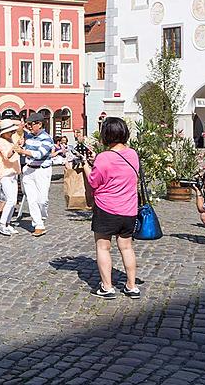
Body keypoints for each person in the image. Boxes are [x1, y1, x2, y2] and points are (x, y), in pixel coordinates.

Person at [80, 117, 140, 299]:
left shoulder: (103, 157)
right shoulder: (133, 154)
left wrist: (85, 166)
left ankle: (107, 287)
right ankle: (131, 286)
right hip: (129, 208)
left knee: (103, 247)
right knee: (127, 247)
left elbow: (94, 181)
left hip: (107, 208)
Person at [14, 112, 54, 237]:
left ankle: (41, 217)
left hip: (42, 170)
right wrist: (22, 144)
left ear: (39, 124)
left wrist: (23, 151)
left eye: (31, 124)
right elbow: (21, 139)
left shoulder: (47, 139)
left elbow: (39, 154)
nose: (29, 127)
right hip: (28, 170)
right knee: (31, 199)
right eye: (28, 124)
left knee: (42, 200)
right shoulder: (28, 137)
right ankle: (38, 225)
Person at [0, 120, 21, 235]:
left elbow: (21, 126)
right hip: (5, 173)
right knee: (10, 200)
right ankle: (1, 224)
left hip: (14, 171)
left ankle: (7, 223)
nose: (11, 133)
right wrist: (15, 147)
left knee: (14, 201)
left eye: (12, 131)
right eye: (9, 131)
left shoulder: (13, 138)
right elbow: (7, 156)